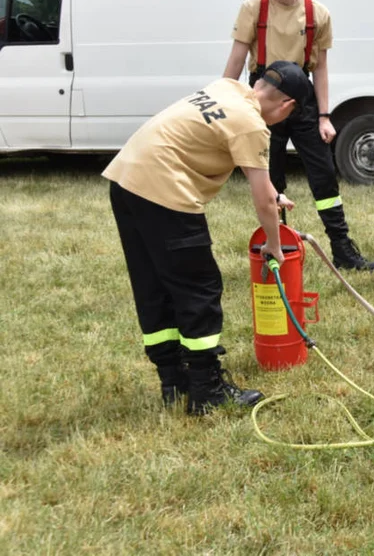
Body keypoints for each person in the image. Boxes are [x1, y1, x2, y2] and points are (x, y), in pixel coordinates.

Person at [105, 61, 308, 415]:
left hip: (127, 180)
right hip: (165, 192)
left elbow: (254, 178)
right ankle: (207, 390)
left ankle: (173, 380)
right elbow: (260, 199)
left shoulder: (226, 88)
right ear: (288, 107)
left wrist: (275, 196)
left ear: (260, 82)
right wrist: (274, 246)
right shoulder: (252, 126)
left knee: (153, 285)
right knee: (198, 287)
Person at [222, 0, 374, 272]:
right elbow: (236, 60)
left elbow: (320, 68)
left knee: (324, 177)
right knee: (271, 177)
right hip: (263, 95)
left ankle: (342, 250)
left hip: (303, 97)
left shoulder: (317, 13)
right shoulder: (253, 9)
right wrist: (226, 104)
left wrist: (324, 116)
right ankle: (279, 249)